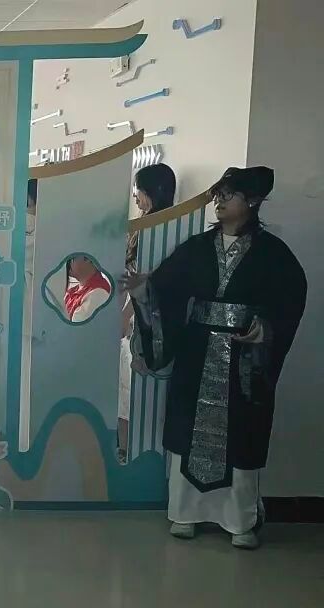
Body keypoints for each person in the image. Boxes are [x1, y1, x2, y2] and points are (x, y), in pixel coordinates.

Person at [122, 166, 306, 550]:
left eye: (228, 195)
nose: (219, 202)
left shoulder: (273, 254)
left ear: (252, 201)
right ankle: (185, 512)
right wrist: (144, 290)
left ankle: (240, 520)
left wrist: (265, 327)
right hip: (197, 349)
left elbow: (290, 299)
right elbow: (165, 288)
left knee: (241, 433)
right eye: (218, 195)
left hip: (244, 358)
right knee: (189, 426)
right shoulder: (198, 247)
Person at [119, 163, 177, 461]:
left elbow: (143, 281)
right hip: (135, 315)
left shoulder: (156, 230)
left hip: (144, 320)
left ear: (153, 191)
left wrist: (126, 315)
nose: (135, 197)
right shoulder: (147, 227)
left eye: (139, 190)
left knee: (133, 392)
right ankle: (129, 450)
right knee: (128, 392)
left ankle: (134, 453)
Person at [63, 255, 111, 322]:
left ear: (87, 258)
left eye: (72, 257)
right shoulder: (73, 291)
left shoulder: (98, 293)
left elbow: (77, 323)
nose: (67, 262)